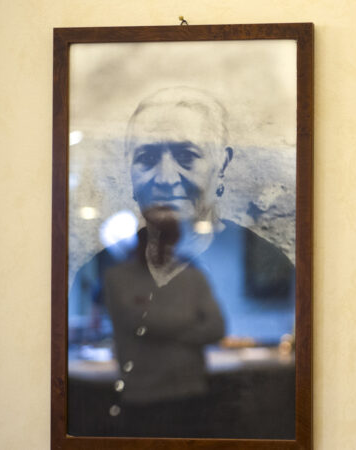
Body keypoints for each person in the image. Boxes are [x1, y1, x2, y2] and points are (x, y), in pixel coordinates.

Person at [68, 87, 295, 437]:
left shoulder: (195, 274)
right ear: (127, 167)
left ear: (222, 164)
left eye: (187, 156)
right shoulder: (115, 276)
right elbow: (141, 325)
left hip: (189, 395)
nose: (165, 177)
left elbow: (212, 329)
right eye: (146, 157)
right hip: (139, 400)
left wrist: (156, 329)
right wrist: (185, 329)